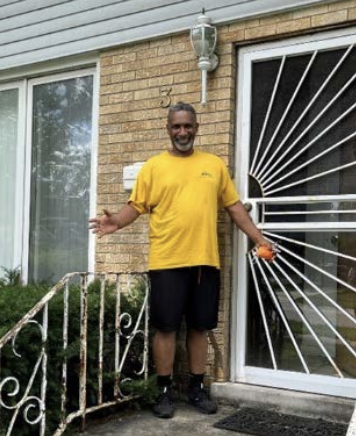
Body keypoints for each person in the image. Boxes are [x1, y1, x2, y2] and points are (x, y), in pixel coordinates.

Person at [89, 102, 273, 419]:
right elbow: (136, 205)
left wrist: (258, 238)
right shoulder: (154, 167)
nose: (182, 132)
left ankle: (196, 390)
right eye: (176, 126)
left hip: (204, 262)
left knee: (199, 328)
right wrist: (116, 222)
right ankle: (163, 392)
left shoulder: (213, 165)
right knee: (166, 328)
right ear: (168, 129)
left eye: (188, 126)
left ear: (196, 127)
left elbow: (235, 207)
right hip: (166, 262)